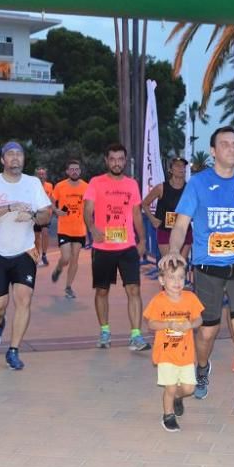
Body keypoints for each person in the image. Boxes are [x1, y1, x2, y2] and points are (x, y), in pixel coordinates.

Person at [164, 126, 234, 424]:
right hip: (207, 269)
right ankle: (202, 368)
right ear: (213, 151)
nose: (232, 149)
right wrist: (173, 252)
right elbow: (181, 225)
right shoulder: (197, 184)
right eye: (225, 145)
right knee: (207, 332)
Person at [0, 141, 53, 370]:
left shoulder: (33, 183)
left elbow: (46, 215)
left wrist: (33, 216)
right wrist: (9, 207)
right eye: (10, 154)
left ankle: (14, 350)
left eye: (19, 154)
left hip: (24, 251)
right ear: (2, 160)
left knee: (24, 300)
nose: (15, 158)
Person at [83, 143, 149, 351]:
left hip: (127, 245)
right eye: (112, 159)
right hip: (103, 247)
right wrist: (92, 228)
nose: (117, 163)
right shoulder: (96, 182)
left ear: (125, 161)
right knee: (102, 291)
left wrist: (143, 240)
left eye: (120, 159)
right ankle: (104, 331)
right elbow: (87, 210)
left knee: (134, 290)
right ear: (106, 161)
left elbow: (137, 213)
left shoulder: (132, 184)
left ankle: (136, 336)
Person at [145, 254, 204, 432]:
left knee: (189, 388)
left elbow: (199, 319)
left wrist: (190, 324)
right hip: (166, 353)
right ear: (162, 280)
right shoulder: (158, 301)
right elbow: (151, 323)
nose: (177, 282)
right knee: (169, 387)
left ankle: (178, 398)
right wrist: (168, 324)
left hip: (185, 354)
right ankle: (168, 415)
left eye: (180, 277)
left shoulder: (190, 298)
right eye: (171, 277)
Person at [142, 156, 193, 262]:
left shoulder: (190, 189)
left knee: (180, 267)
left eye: (183, 166)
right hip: (165, 232)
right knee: (169, 267)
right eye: (177, 166)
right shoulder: (161, 188)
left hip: (185, 232)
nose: (181, 168)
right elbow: (144, 204)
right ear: (170, 169)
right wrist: (152, 219)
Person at [51, 160, 88, 299]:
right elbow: (52, 202)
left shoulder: (86, 186)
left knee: (75, 258)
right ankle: (59, 268)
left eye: (77, 169)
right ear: (67, 171)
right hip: (64, 228)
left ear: (80, 171)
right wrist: (56, 210)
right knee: (66, 257)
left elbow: (91, 204)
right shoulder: (60, 186)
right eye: (71, 169)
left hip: (79, 229)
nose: (74, 171)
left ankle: (68, 287)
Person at [33, 167, 55, 265]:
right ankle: (37, 254)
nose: (41, 176)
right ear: (36, 176)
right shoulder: (32, 186)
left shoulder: (50, 186)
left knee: (45, 233)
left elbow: (51, 199)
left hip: (45, 214)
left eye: (43, 174)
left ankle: (44, 255)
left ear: (45, 176)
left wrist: (51, 211)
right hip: (36, 214)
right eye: (39, 174)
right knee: (37, 236)